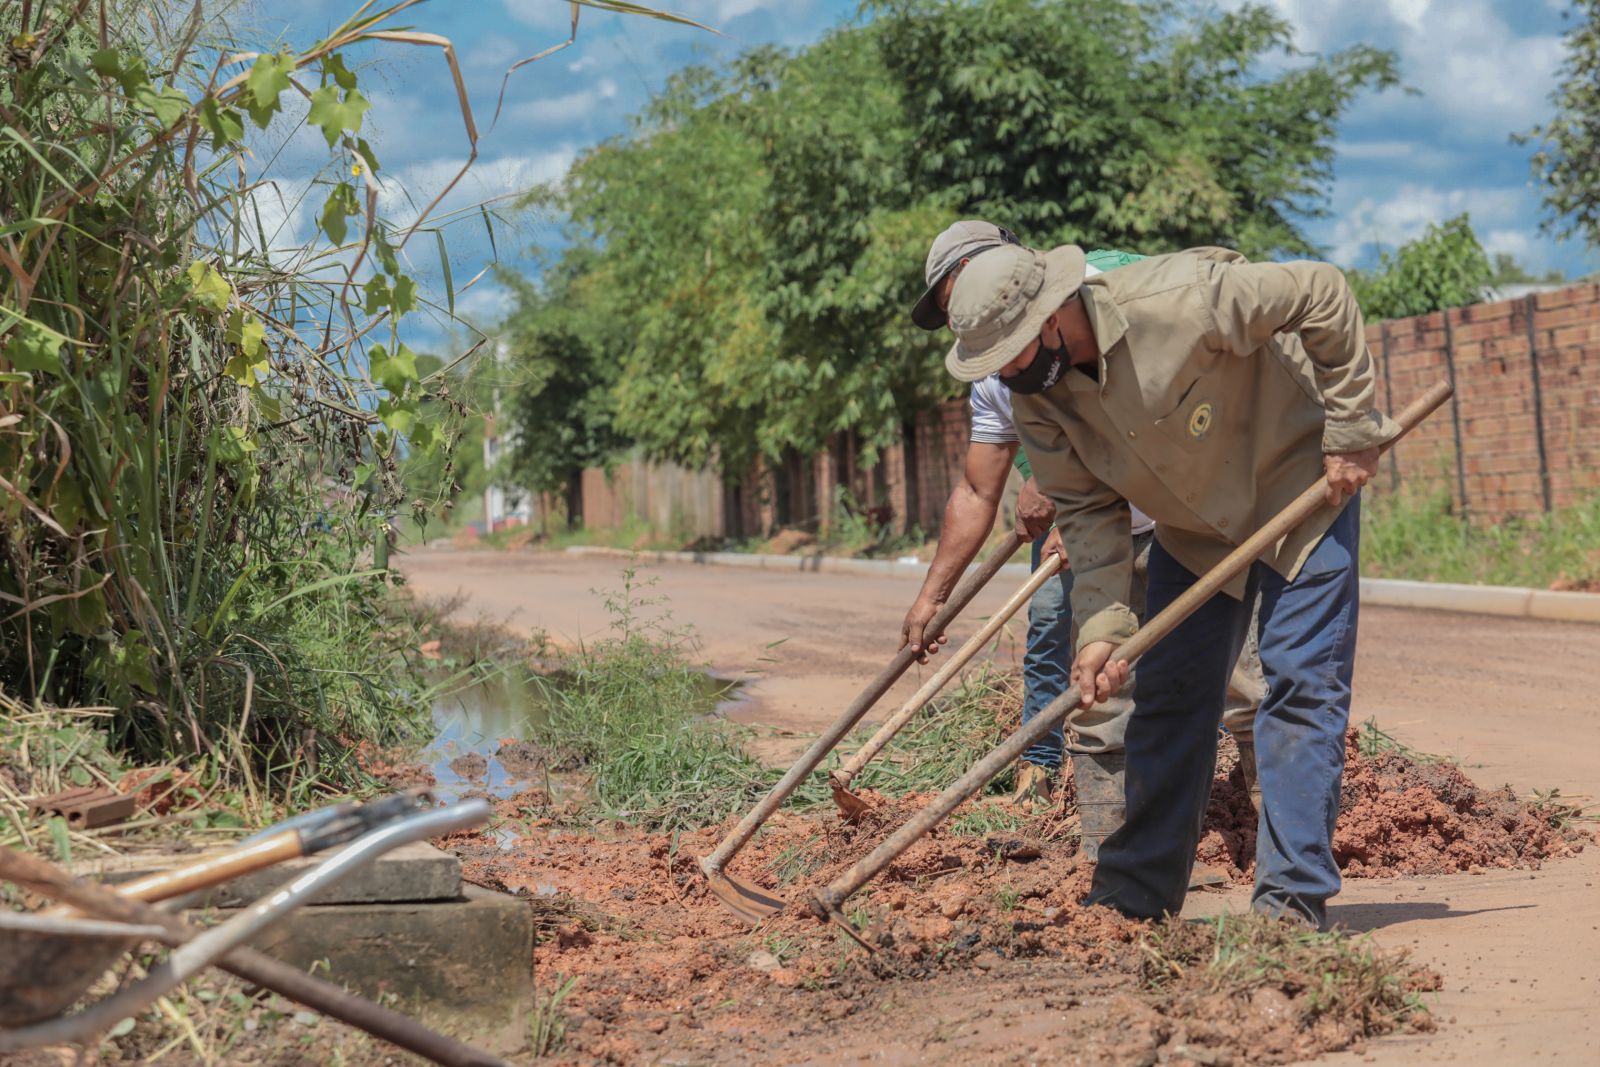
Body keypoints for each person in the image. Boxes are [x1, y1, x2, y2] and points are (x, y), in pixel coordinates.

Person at [943, 240, 1395, 930]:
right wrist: (1100, 634)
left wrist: (1353, 423)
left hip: (1300, 484)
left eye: (1011, 350)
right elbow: (1091, 517)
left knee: (1300, 683)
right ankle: (1132, 897)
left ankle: (1289, 902)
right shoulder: (1035, 396)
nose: (1006, 371)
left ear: (1053, 318)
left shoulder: (1182, 298)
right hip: (1194, 526)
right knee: (1169, 697)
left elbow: (1322, 289)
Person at [902, 222, 1261, 859]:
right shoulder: (992, 371)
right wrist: (935, 597)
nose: (969, 317)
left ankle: (1270, 843)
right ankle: (1116, 864)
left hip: (1195, 519)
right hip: (1099, 544)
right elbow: (980, 491)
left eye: (971, 292)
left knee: (1241, 686)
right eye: (954, 309)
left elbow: (1177, 405)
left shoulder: (1112, 288)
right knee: (1098, 692)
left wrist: (1075, 496)